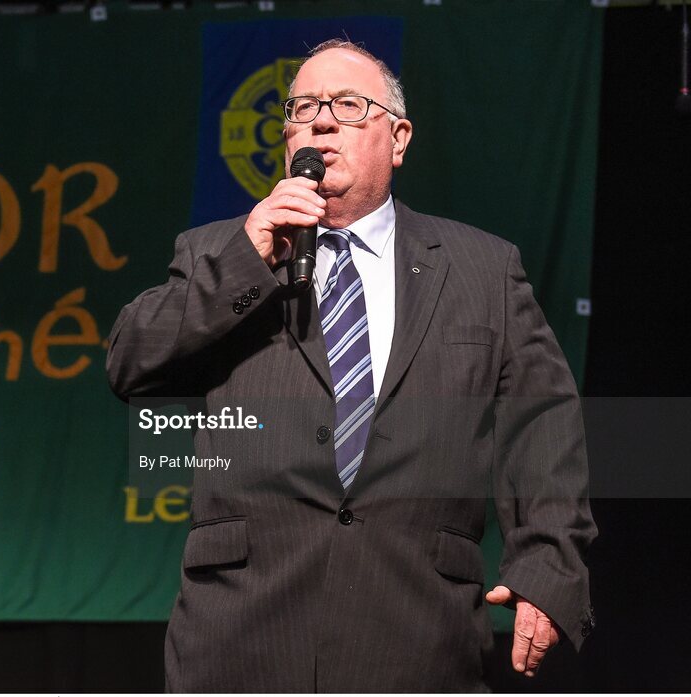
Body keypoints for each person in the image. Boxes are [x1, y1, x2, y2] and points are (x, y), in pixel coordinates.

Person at [106, 39, 595, 692]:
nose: (322, 121)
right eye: (304, 108)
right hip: (240, 644)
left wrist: (547, 564)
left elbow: (543, 424)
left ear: (398, 138)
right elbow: (131, 363)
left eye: (346, 104)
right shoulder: (217, 255)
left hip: (418, 637)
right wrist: (248, 261)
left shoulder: (482, 269)